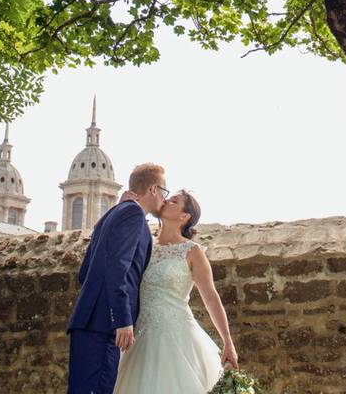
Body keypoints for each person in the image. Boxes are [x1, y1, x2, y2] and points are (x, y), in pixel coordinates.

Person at [113, 189, 239, 394]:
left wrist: (228, 342)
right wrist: (123, 206)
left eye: (173, 201)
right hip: (140, 337)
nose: (166, 201)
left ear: (184, 216)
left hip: (178, 337)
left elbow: (211, 298)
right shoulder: (144, 244)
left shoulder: (192, 251)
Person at [66, 163, 168, 394]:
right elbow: (118, 268)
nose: (164, 197)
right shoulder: (132, 214)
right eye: (164, 191)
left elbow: (85, 272)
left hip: (90, 321)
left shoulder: (115, 213)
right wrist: (121, 319)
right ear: (153, 189)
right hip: (104, 325)